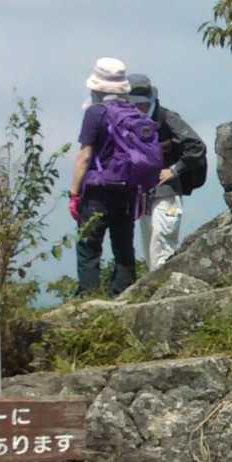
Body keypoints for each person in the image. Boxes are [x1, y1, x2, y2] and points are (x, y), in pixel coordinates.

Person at [70, 59, 165, 296]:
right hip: (127, 190)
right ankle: (124, 295)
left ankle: (88, 297)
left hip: (97, 190)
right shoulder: (134, 113)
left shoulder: (95, 113)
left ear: (97, 88)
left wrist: (74, 193)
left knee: (89, 245)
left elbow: (85, 155)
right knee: (123, 245)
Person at [126, 74, 207, 271]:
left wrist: (174, 170)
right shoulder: (129, 121)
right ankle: (156, 286)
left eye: (141, 104)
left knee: (162, 243)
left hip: (167, 192)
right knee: (150, 249)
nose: (138, 108)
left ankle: (168, 286)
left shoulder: (166, 117)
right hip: (144, 195)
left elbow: (196, 146)